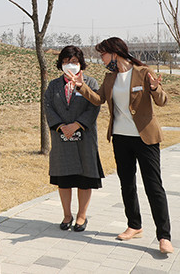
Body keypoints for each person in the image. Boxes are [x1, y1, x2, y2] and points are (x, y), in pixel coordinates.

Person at [68, 37, 173, 254]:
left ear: (114, 53)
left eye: (103, 55)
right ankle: (134, 225)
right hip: (120, 138)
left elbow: (162, 101)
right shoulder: (110, 78)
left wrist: (154, 88)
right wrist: (81, 86)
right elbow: (99, 100)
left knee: (154, 187)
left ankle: (164, 236)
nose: (102, 60)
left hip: (145, 139)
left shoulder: (144, 73)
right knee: (127, 184)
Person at [45, 45, 104, 233]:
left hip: (84, 136)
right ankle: (67, 215)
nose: (69, 65)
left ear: (80, 64)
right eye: (65, 62)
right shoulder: (54, 85)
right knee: (64, 177)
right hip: (61, 137)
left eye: (73, 62)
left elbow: (94, 106)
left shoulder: (91, 82)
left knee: (85, 177)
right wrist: (62, 126)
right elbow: (48, 106)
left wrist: (76, 125)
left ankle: (81, 215)